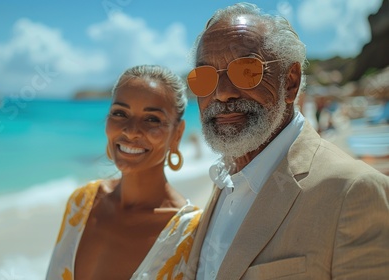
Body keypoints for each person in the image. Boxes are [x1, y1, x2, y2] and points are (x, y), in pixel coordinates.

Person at [184, 3, 389, 279]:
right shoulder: (225, 180)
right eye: (204, 77)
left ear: (290, 83)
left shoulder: (353, 192)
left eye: (246, 71)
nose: (221, 93)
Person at [46, 65, 202, 280]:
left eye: (152, 119)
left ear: (177, 134)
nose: (130, 131)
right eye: (120, 113)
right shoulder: (81, 204)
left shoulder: (189, 234)